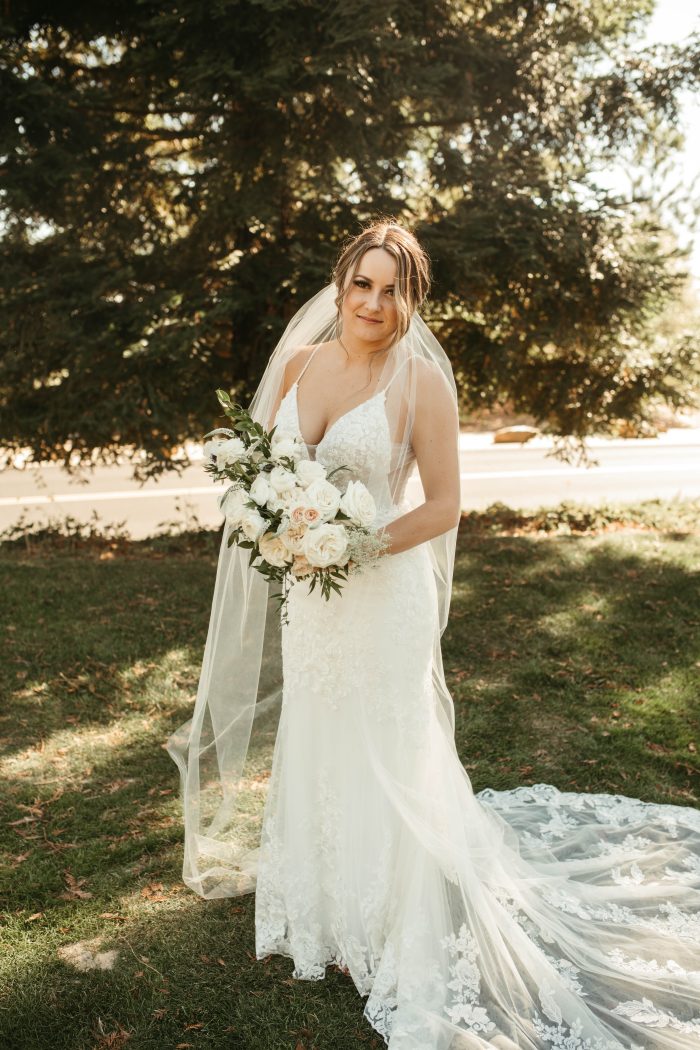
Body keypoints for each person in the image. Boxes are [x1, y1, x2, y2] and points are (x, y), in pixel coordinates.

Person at [168, 220, 700, 1049]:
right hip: (311, 598)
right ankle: (325, 904)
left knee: (385, 743)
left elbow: (444, 505)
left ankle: (389, 913)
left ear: (410, 301)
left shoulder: (420, 384)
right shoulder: (301, 365)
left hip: (381, 592)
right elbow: (260, 471)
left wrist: (348, 542)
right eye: (362, 285)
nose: (373, 304)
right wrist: (282, 530)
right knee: (319, 730)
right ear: (339, 284)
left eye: (393, 290)